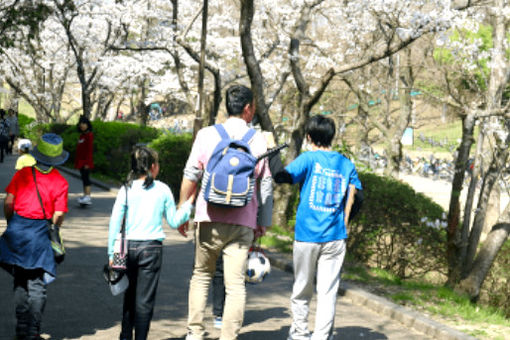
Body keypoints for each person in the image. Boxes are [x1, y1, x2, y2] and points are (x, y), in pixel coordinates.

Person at [178, 84, 273, 340]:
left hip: (208, 216)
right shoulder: (258, 139)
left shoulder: (207, 134)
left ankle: (195, 333)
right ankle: (229, 336)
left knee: (201, 275)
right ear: (247, 109)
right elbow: (265, 182)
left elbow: (191, 175)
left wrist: (183, 209)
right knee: (235, 285)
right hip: (243, 221)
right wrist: (263, 222)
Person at [265, 114, 362, 340]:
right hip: (336, 237)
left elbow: (281, 176)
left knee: (302, 289)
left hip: (307, 236)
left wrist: (272, 151)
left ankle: (299, 334)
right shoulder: (346, 164)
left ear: (309, 137)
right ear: (331, 137)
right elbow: (358, 198)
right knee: (328, 292)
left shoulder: (309, 159)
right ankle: (321, 336)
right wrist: (344, 221)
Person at [107, 145, 194, 340]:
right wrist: (188, 204)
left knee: (128, 297)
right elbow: (174, 221)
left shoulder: (126, 189)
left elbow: (115, 222)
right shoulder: (162, 189)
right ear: (153, 166)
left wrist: (111, 254)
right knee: (144, 301)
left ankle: (125, 336)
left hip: (125, 248)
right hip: (151, 248)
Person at [0, 133, 69, 340]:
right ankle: (33, 331)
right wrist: (54, 228)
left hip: (18, 229)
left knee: (20, 281)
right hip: (40, 234)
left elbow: (8, 203)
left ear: (37, 154)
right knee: (37, 284)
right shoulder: (61, 181)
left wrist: (12, 222)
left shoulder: (22, 174)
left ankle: (21, 329)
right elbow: (58, 215)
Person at [75, 115, 94, 205]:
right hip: (81, 161)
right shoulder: (81, 136)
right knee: (83, 178)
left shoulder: (89, 135)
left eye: (84, 123)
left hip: (86, 162)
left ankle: (88, 196)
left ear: (87, 125)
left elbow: (89, 150)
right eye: (81, 124)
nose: (82, 125)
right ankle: (85, 195)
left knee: (86, 178)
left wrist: (87, 163)